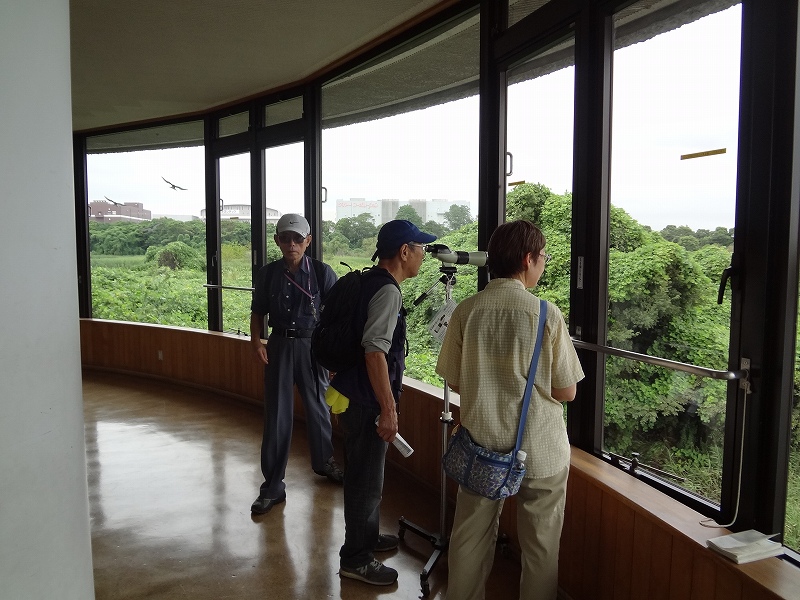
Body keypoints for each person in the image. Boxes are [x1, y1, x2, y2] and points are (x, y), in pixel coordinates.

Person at [436, 220, 584, 600]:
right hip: (540, 450)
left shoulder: (467, 310)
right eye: (543, 257)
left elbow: (454, 380)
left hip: (481, 447)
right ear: (527, 259)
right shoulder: (546, 314)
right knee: (540, 548)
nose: (543, 264)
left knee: (469, 537)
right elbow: (567, 390)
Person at [330, 219, 437, 586]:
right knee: (365, 481)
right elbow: (375, 352)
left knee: (366, 475)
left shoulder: (369, 281)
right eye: (420, 249)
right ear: (404, 252)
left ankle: (368, 535)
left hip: (353, 393)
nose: (423, 255)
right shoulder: (388, 291)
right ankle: (355, 559)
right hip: (366, 401)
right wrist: (388, 410)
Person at [249, 213, 343, 515]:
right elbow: (258, 311)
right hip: (279, 345)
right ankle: (273, 485)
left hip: (312, 347)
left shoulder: (322, 272)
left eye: (298, 239)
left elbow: (338, 316)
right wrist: (256, 342)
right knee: (277, 413)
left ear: (308, 241)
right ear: (277, 241)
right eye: (286, 238)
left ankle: (324, 462)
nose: (292, 244)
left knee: (318, 407)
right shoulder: (268, 274)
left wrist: (334, 356)